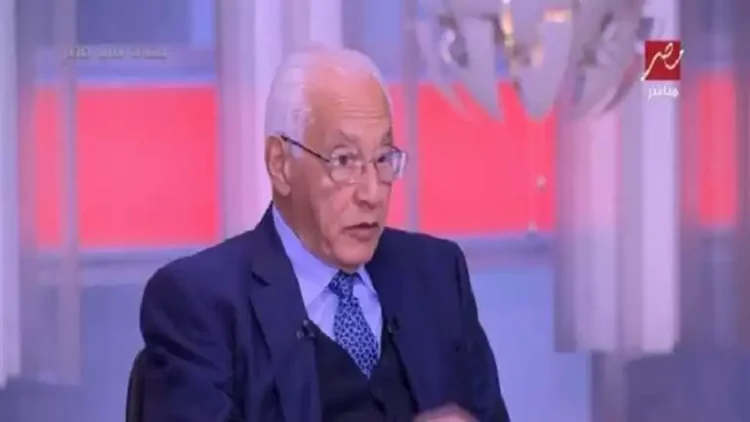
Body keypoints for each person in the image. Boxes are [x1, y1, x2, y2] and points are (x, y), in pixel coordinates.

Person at [139, 46, 510, 422]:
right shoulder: (200, 303)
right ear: (280, 164)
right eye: (344, 160)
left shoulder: (437, 275)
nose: (371, 193)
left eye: (383, 158)